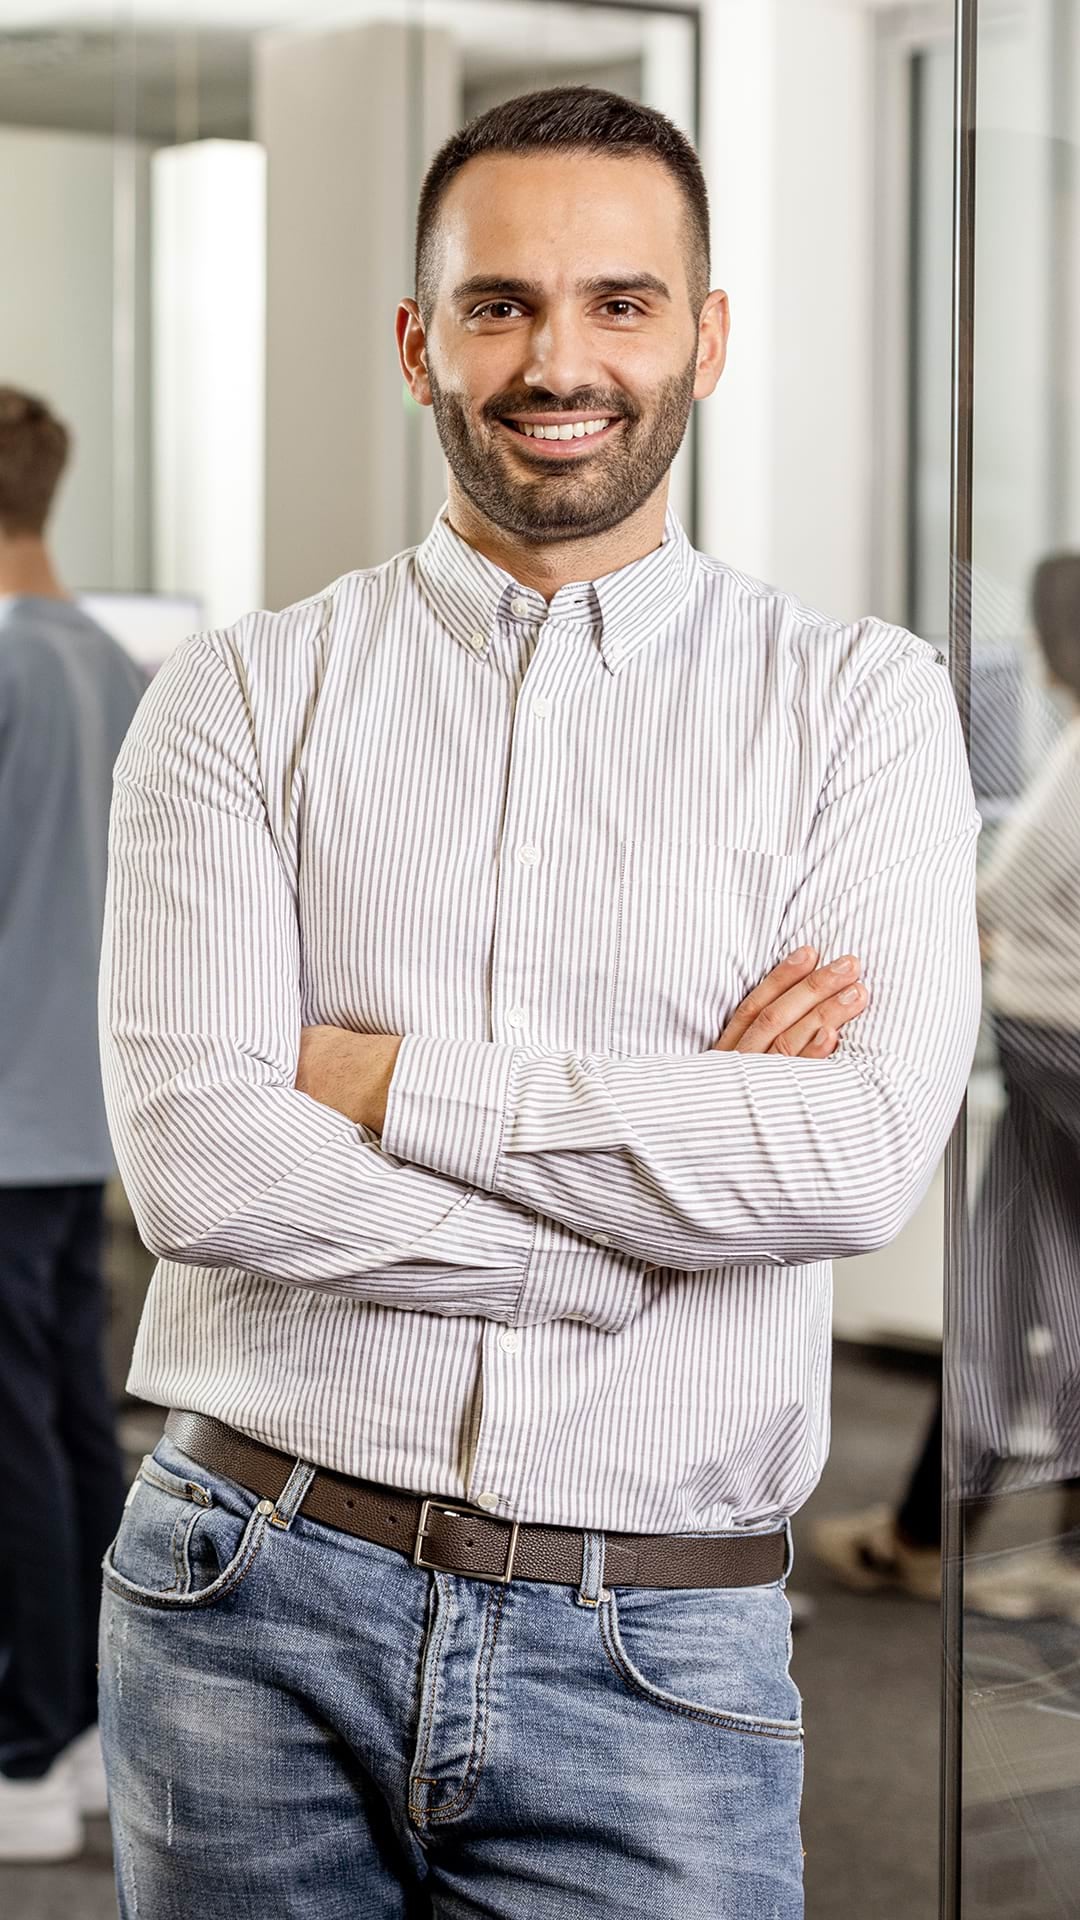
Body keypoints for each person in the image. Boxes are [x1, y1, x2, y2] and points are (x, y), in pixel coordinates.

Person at [98, 88, 980, 1919]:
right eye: (498, 303)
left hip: (654, 1647)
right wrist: (641, 1225)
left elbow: (849, 1162)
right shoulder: (240, 698)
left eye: (620, 302)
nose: (555, 359)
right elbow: (203, 1166)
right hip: (242, 1600)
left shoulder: (859, 707)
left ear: (708, 337)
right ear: (421, 339)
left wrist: (380, 1078)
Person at [813, 554, 1080, 1622]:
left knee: (1011, 1293)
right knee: (1029, 1294)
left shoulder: (1078, 760)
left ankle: (931, 1533)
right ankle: (937, 1530)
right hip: (1052, 1058)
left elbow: (1005, 889)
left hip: (1055, 1055)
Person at [0, 386, 145, 1861]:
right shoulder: (115, 662)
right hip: (78, 1113)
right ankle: (94, 1717)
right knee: (68, 1418)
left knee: (16, 1441)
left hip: (4, 1121)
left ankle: (27, 1750)